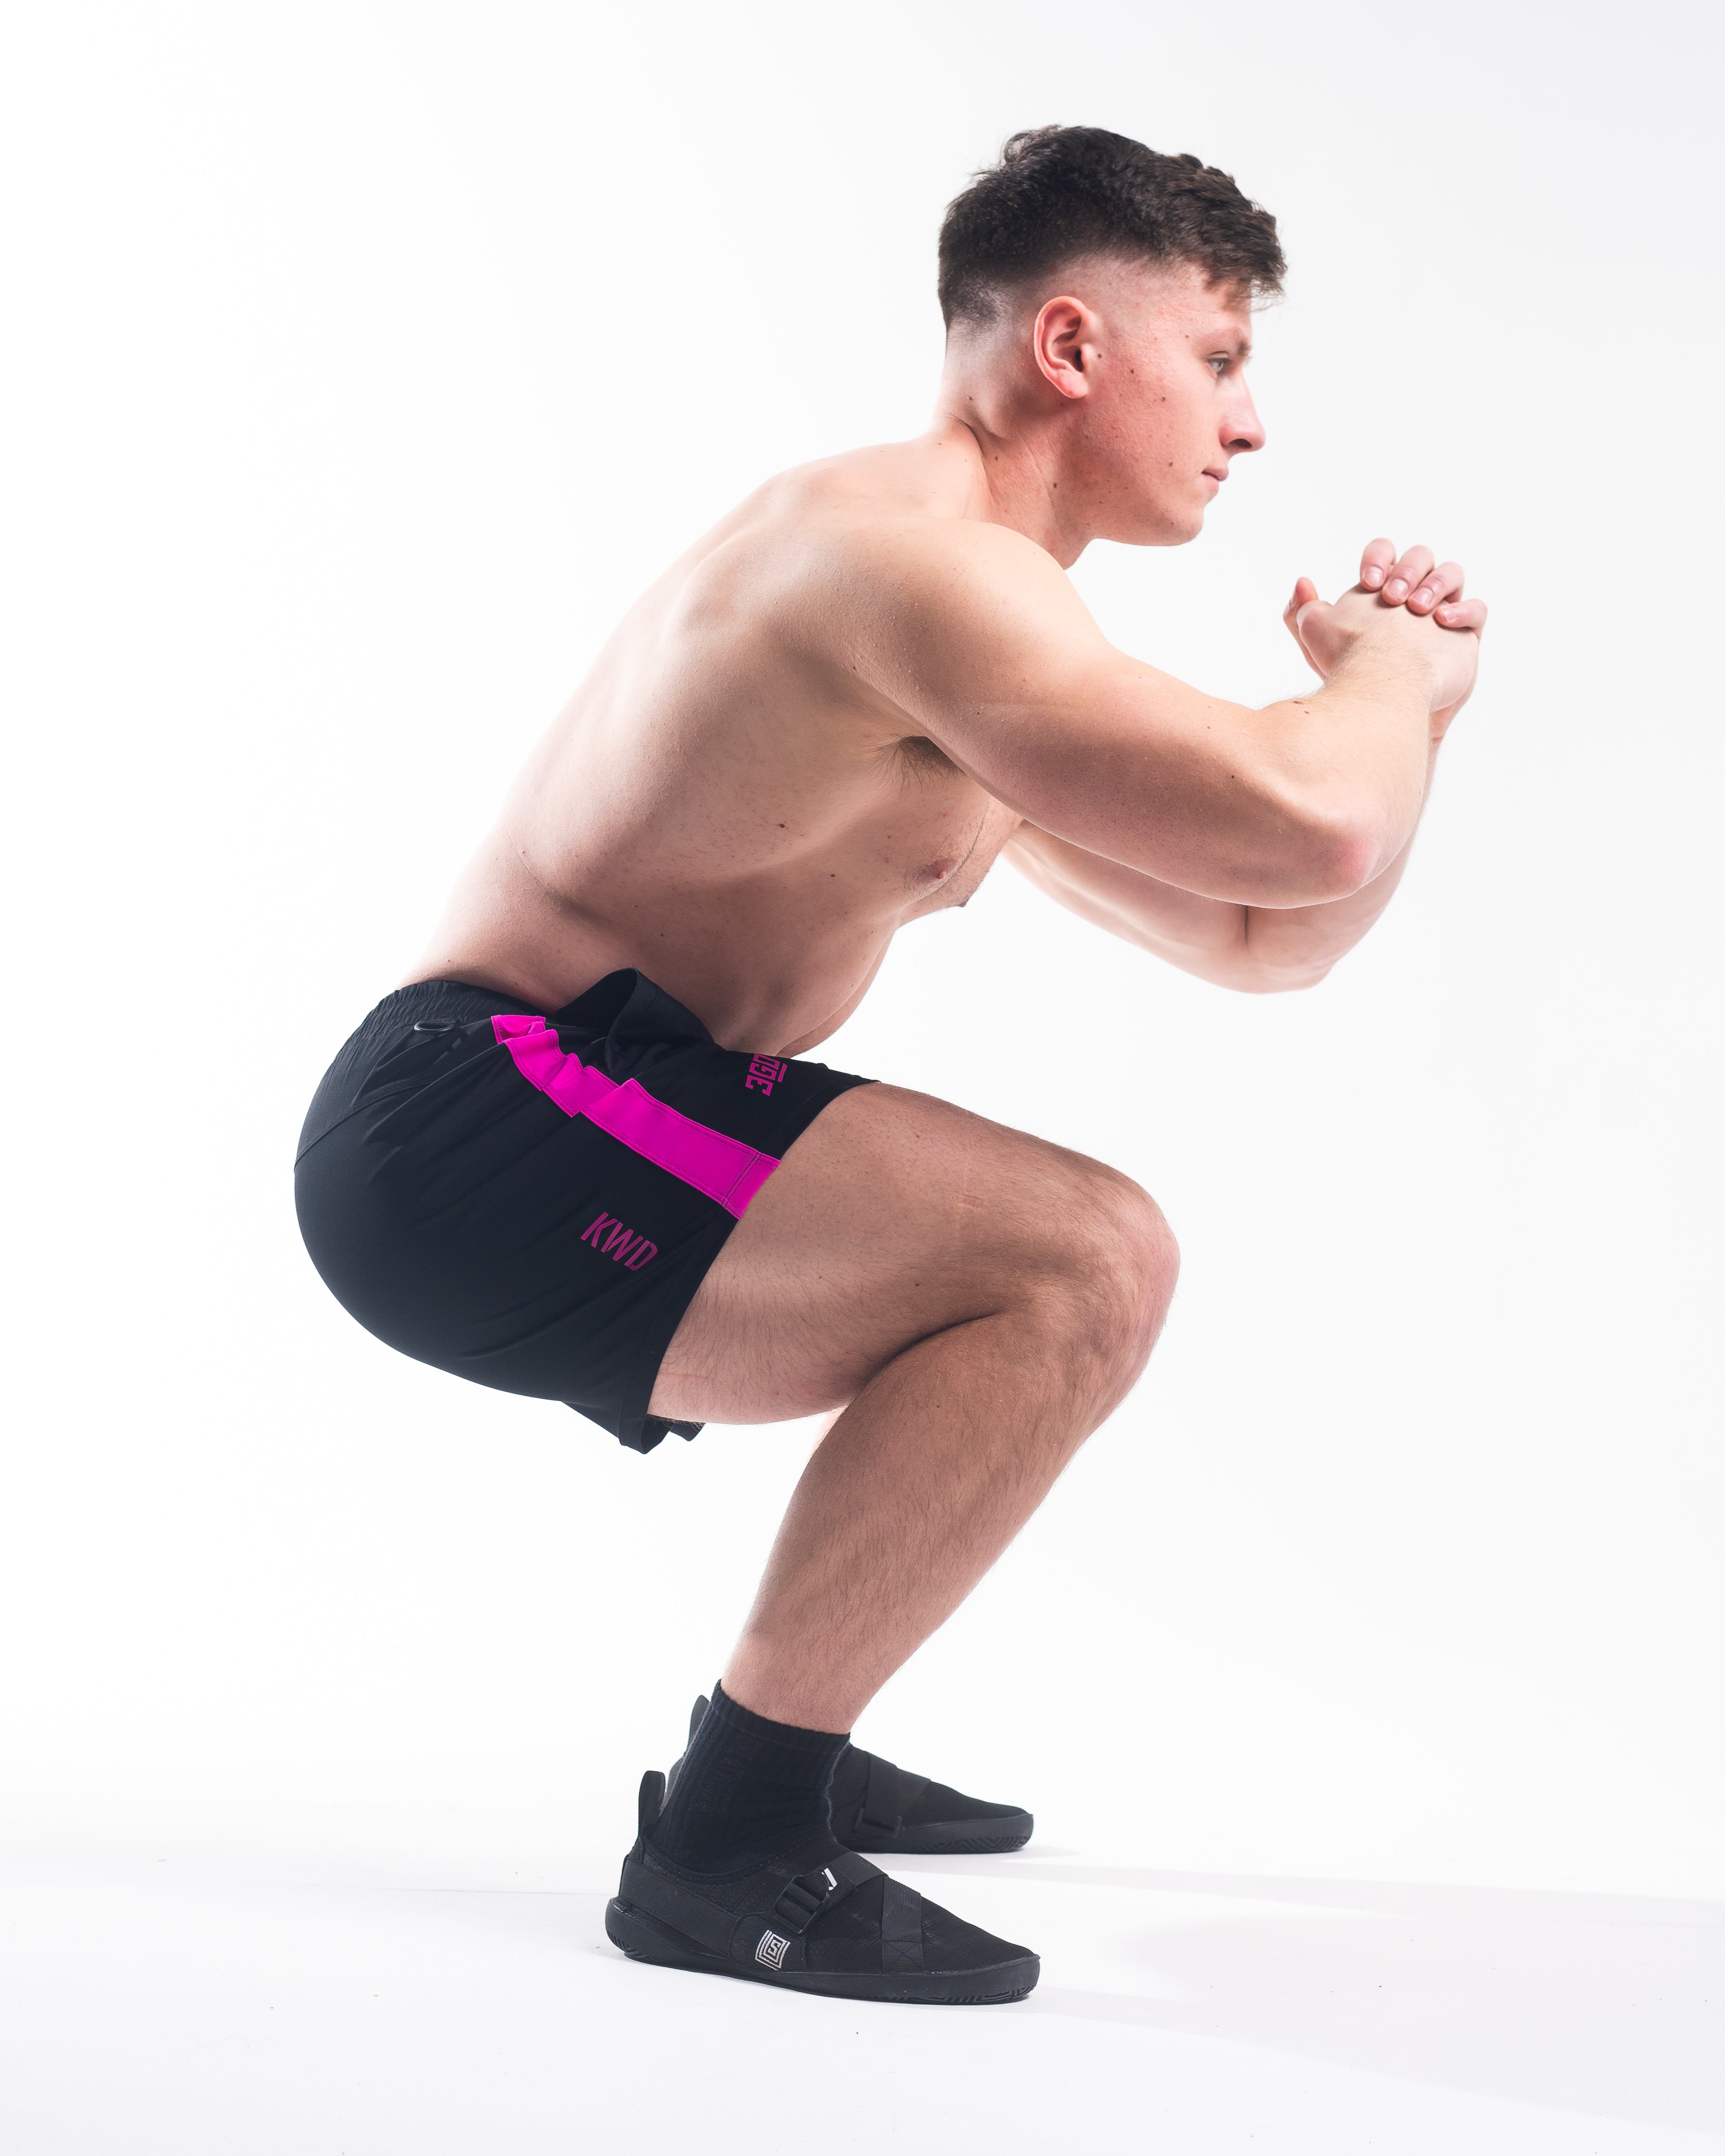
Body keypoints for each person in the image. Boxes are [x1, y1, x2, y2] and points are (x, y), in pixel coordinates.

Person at [295, 125, 1486, 2005]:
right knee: (1082, 1258)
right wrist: (1390, 678)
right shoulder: (905, 571)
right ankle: (727, 1844)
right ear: (1072, 347)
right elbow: (1318, 822)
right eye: (1220, 358)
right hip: (480, 1116)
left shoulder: (982, 631)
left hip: (563, 1111)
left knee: (1074, 1263)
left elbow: (1275, 935)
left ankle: (786, 1741)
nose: (1249, 425)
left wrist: (1404, 715)